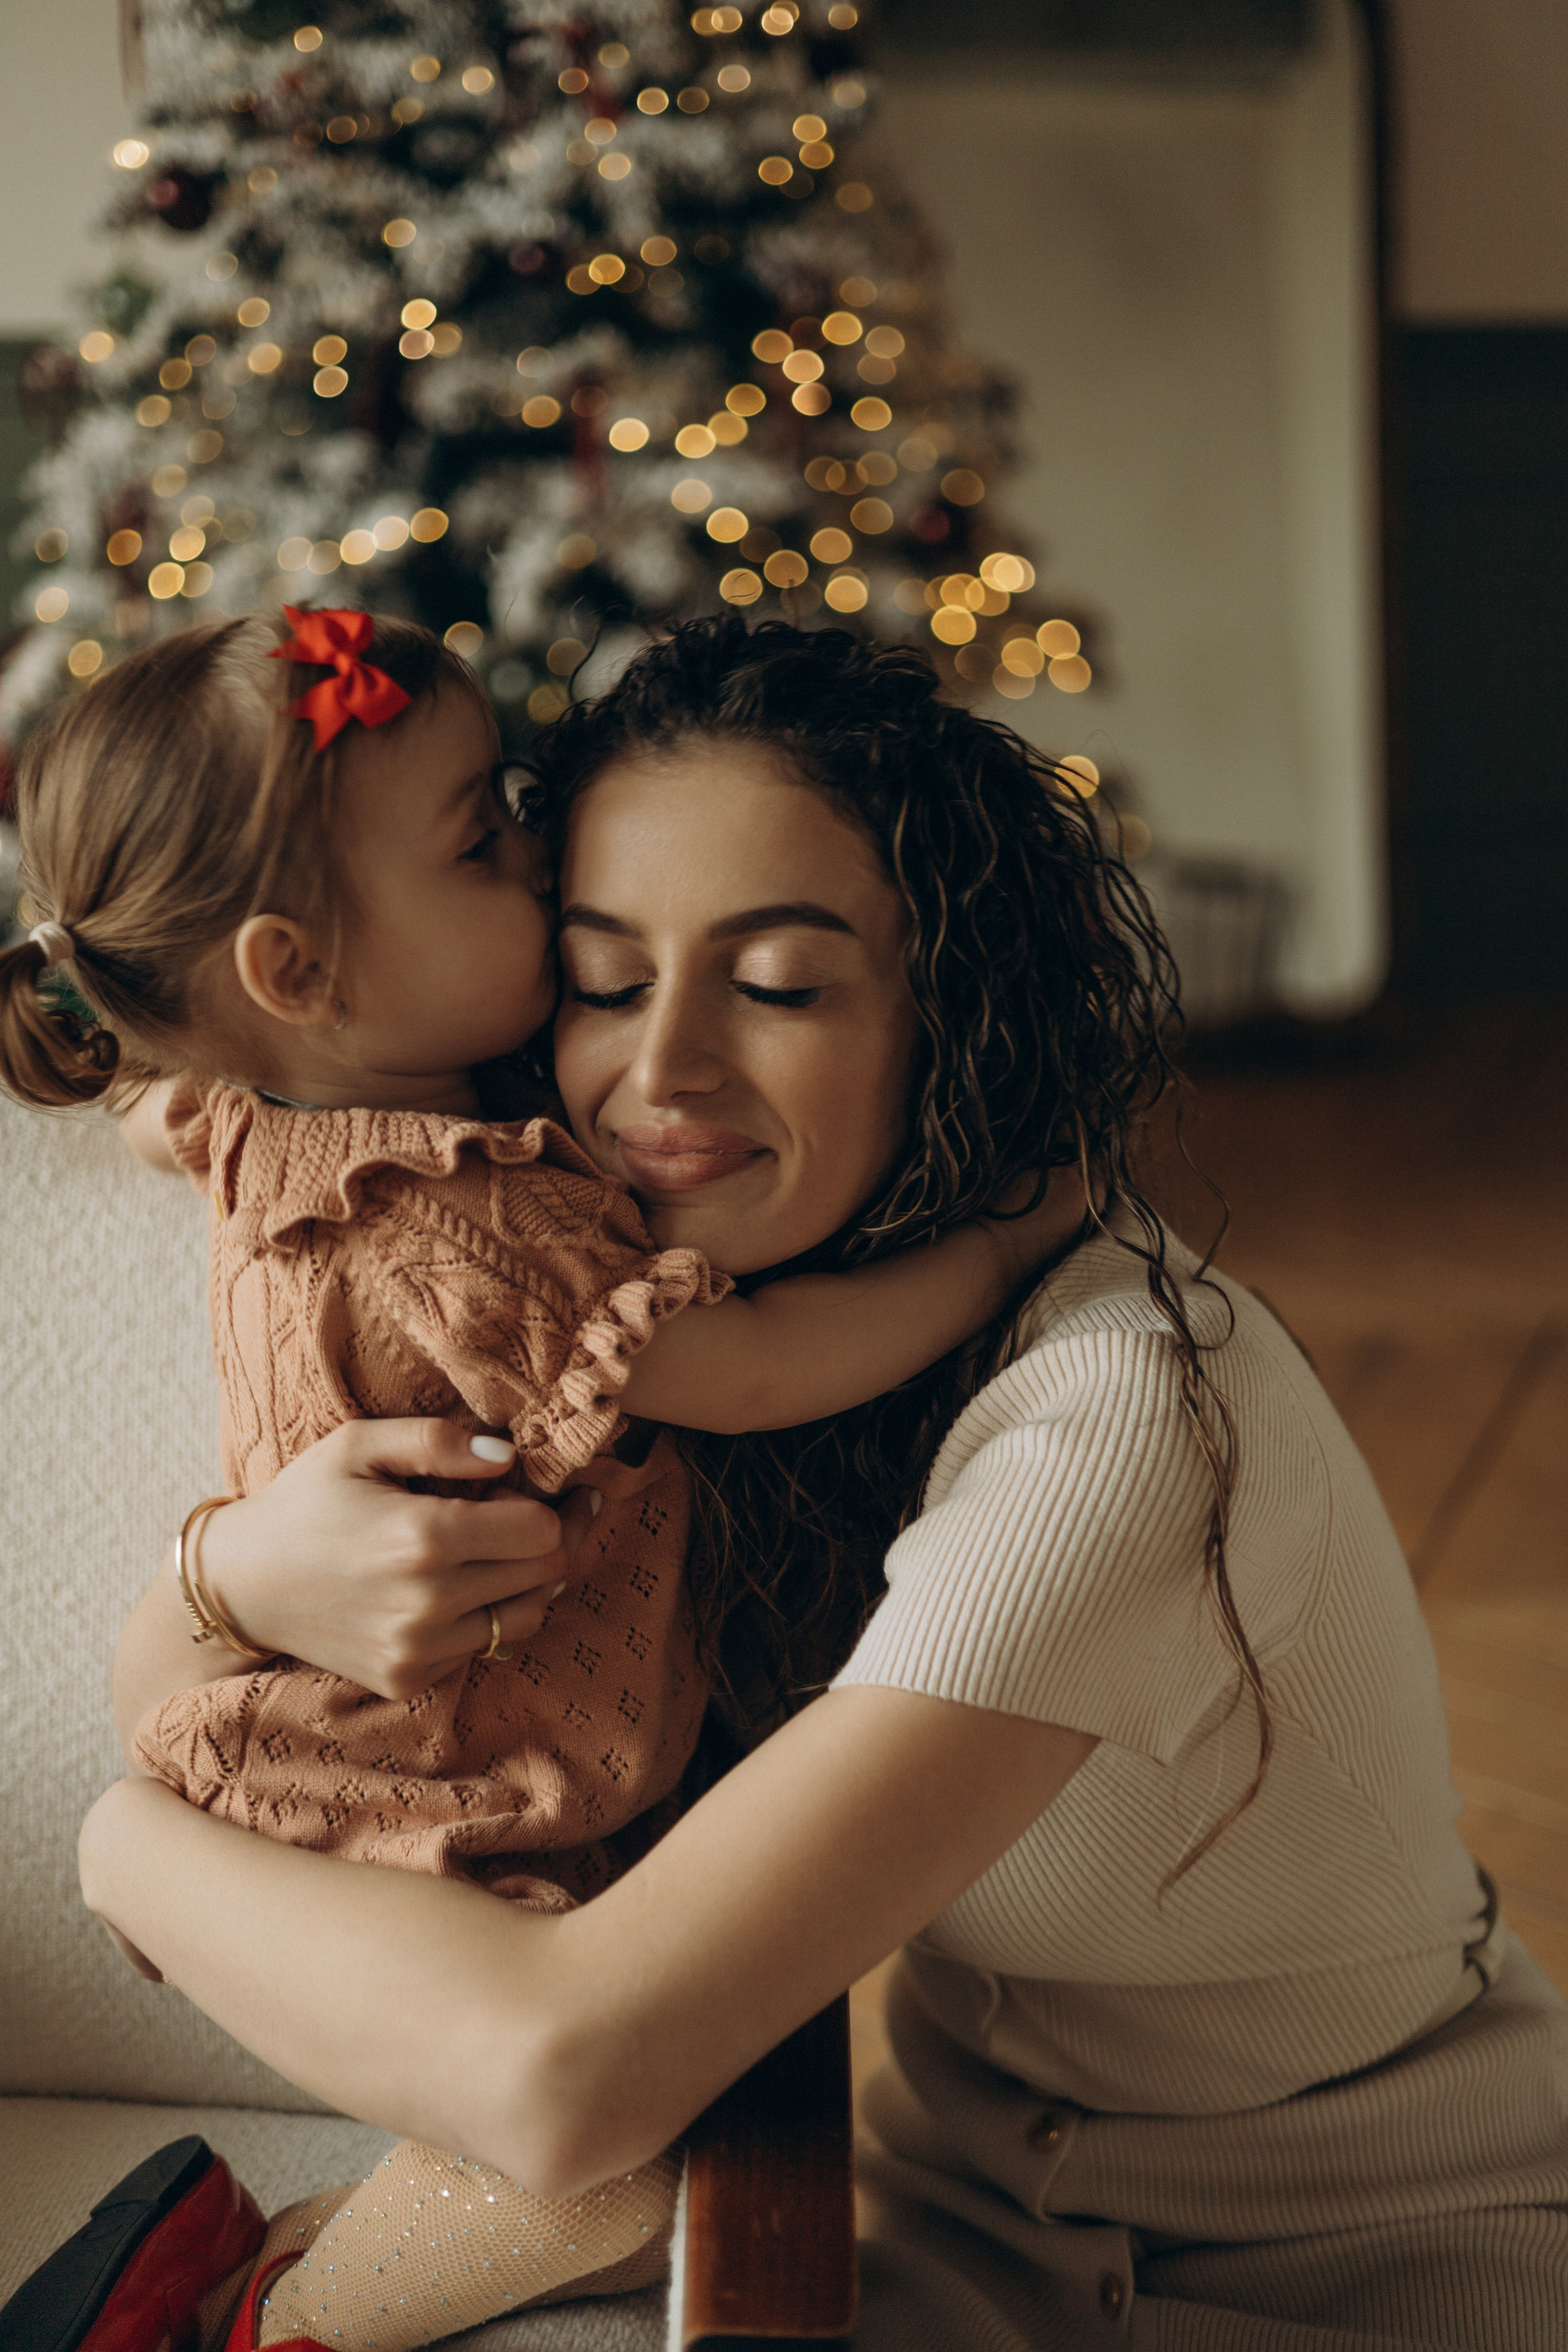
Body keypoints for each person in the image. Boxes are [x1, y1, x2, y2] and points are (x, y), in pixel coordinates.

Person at [69, 619, 1568, 2349]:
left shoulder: (1117, 1431)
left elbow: (568, 2079)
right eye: (606, 979)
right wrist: (230, 1574)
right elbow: (181, 1685)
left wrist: (120, 1847)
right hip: (956, 2242)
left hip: (1380, 2273)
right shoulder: (601, 1316)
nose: (665, 1072)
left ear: (949, 1007)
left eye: (778, 985)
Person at [0, 609, 1057, 2351]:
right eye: (486, 842)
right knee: (608, 2171)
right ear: (294, 971)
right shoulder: (465, 1224)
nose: (536, 851)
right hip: (430, 1782)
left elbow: (153, 1095)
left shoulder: (257, 1103)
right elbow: (765, 1368)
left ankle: (231, 2250)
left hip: (329, 1734)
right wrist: (1012, 1237)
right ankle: (272, 2327)